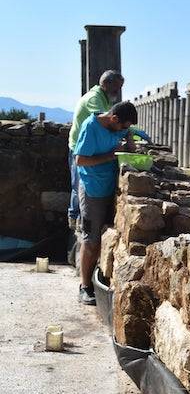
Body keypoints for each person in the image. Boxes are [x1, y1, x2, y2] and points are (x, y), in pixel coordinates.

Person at [74, 101, 136, 305]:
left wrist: (127, 136)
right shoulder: (91, 127)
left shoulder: (115, 126)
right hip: (93, 189)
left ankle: (94, 279)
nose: (124, 131)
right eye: (123, 126)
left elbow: (129, 140)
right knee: (91, 241)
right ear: (114, 118)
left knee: (101, 239)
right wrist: (110, 155)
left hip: (109, 187)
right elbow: (80, 159)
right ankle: (84, 287)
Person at [69, 70, 124, 228]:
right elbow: (103, 122)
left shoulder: (103, 98)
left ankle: (79, 218)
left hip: (86, 147)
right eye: (116, 88)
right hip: (79, 148)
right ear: (106, 84)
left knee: (79, 184)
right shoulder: (95, 99)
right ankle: (75, 219)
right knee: (78, 184)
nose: (118, 92)